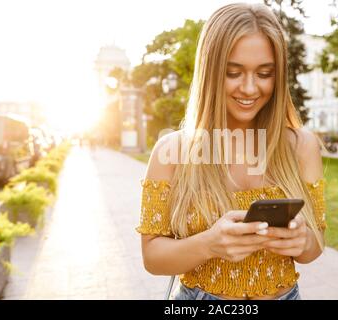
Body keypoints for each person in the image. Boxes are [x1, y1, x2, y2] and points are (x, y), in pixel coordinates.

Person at [136, 3, 326, 300]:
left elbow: (315, 245)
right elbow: (152, 257)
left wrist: (302, 241)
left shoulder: (302, 146)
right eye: (233, 72)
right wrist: (208, 244)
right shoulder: (171, 151)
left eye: (265, 73)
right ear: (210, 72)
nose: (249, 88)